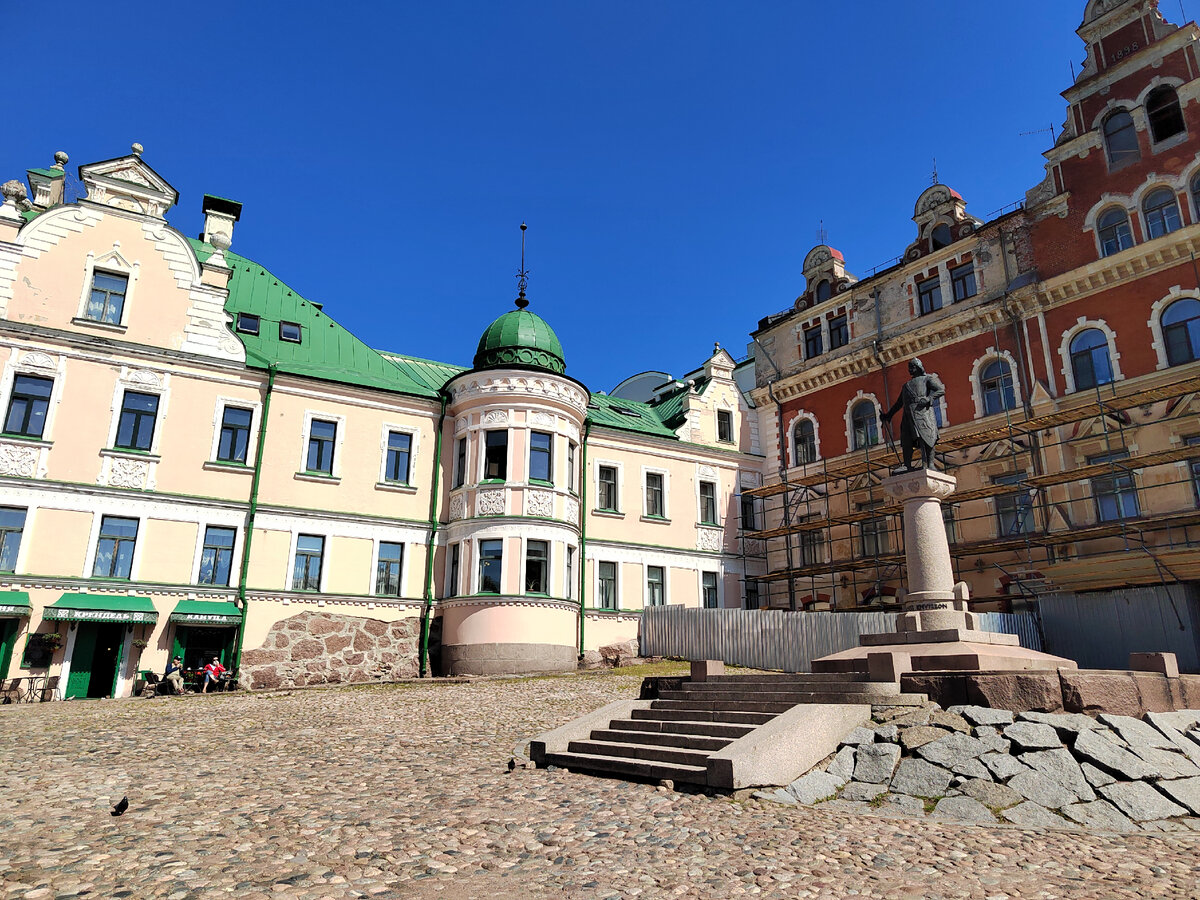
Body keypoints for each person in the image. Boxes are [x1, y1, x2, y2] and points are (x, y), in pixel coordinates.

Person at [882, 358, 945, 471]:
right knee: (906, 440)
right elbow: (898, 403)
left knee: (928, 437)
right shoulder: (906, 386)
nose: (910, 370)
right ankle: (907, 465)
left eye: (913, 367)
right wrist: (888, 415)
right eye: (909, 368)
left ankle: (930, 464)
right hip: (908, 415)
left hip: (922, 413)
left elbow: (940, 390)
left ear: (919, 367)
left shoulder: (927, 379)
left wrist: (928, 399)